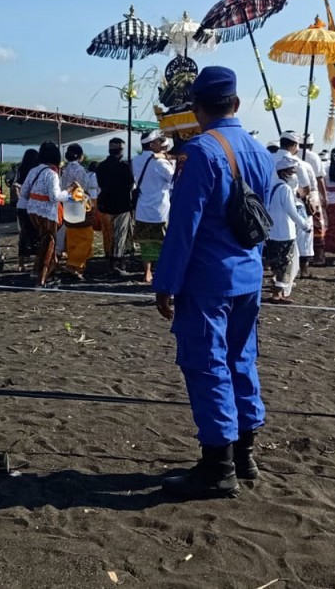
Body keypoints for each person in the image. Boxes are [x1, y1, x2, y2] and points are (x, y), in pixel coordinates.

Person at [153, 66, 274, 499]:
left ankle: (218, 466)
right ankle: (245, 455)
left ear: (196, 108)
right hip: (249, 275)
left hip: (208, 279)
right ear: (236, 103)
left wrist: (166, 282)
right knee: (242, 359)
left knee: (207, 365)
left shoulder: (199, 152)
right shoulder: (260, 151)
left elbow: (183, 225)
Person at [19, 141, 79, 288]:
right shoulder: (52, 174)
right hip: (47, 213)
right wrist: (70, 191)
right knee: (49, 245)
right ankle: (42, 279)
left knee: (43, 242)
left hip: (32, 211)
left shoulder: (34, 171)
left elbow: (23, 192)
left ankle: (38, 271)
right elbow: (55, 197)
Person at [267, 152, 312, 301]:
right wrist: (305, 225)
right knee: (286, 264)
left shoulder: (273, 186)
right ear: (284, 173)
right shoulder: (285, 189)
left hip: (273, 231)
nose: (294, 175)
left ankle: (278, 291)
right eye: (292, 172)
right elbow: (291, 211)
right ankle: (277, 293)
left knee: (277, 263)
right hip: (285, 232)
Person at [131, 130, 175, 284]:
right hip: (160, 210)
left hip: (142, 209)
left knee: (146, 243)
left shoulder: (135, 160)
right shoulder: (160, 163)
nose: (161, 144)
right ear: (152, 145)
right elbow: (174, 179)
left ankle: (147, 272)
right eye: (158, 142)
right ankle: (162, 272)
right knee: (164, 243)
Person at [94, 137, 135, 277]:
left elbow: (101, 184)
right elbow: (130, 185)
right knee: (120, 236)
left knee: (109, 235)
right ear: (121, 151)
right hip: (122, 206)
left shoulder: (101, 166)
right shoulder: (125, 167)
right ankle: (117, 264)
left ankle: (111, 262)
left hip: (105, 205)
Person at [279, 133, 318, 277]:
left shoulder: (268, 158)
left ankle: (279, 272)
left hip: (272, 205)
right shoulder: (298, 163)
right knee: (304, 235)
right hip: (295, 203)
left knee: (278, 237)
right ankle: (303, 270)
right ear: (294, 145)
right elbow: (307, 188)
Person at [59, 144, 94, 280]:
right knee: (85, 237)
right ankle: (74, 264)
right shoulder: (80, 170)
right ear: (80, 156)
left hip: (67, 205)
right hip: (79, 205)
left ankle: (76, 266)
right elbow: (84, 187)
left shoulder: (64, 170)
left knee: (72, 236)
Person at [300, 133, 327, 268]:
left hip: (297, 194)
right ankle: (318, 257)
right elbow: (319, 179)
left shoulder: (292, 155)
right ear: (311, 145)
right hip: (311, 195)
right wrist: (324, 196)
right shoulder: (314, 157)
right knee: (317, 225)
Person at [12, 148, 41, 271]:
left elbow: (14, 185)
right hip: (34, 205)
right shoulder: (37, 171)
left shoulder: (20, 169)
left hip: (22, 205)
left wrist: (20, 197)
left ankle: (21, 263)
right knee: (37, 233)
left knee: (24, 234)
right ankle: (36, 263)